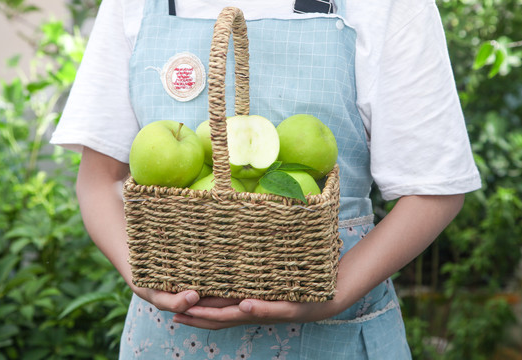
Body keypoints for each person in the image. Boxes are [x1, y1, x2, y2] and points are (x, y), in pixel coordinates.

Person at [51, 0, 482, 358]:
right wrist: (145, 278)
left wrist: (328, 295)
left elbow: (434, 190)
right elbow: (98, 181)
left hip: (334, 327)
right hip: (170, 335)